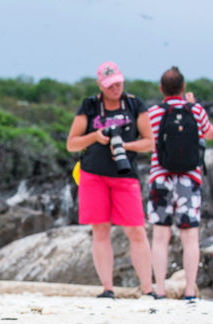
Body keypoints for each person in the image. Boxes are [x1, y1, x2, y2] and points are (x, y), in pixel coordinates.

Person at [66, 61, 156, 299]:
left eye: (118, 83)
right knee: (100, 229)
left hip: (125, 176)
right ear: (100, 85)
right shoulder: (90, 105)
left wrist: (126, 146)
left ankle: (148, 288)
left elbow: (149, 142)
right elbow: (71, 143)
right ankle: (107, 288)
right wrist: (95, 136)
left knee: (136, 230)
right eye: (109, 85)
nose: (115, 88)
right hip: (93, 174)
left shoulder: (134, 104)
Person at [147, 66, 213, 300]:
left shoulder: (154, 113)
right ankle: (189, 291)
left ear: (161, 89)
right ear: (183, 88)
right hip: (189, 178)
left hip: (160, 177)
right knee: (190, 237)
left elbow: (147, 141)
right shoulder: (195, 110)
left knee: (160, 235)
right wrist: (193, 104)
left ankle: (160, 290)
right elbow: (210, 134)